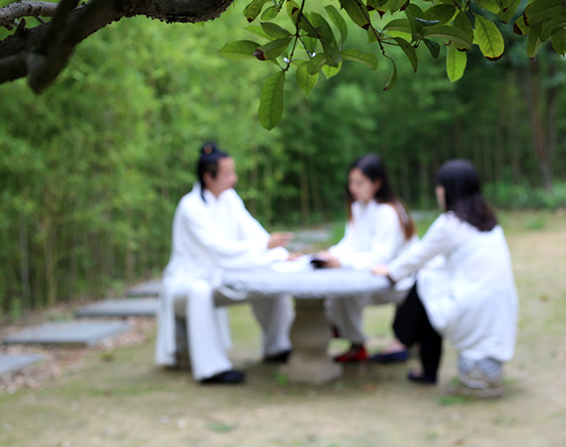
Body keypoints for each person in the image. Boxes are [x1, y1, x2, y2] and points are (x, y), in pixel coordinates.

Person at [372, 159, 518, 397]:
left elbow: (417, 257)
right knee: (430, 284)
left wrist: (389, 272)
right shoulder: (489, 222)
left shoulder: (450, 223)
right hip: (499, 308)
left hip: (472, 308)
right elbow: (449, 260)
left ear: (448, 190)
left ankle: (402, 342)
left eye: (439, 187)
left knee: (425, 282)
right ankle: (416, 357)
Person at [155, 142, 294, 385]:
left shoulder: (230, 199)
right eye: (228, 173)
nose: (234, 178)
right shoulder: (190, 207)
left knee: (272, 279)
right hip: (187, 281)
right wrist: (265, 247)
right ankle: (212, 369)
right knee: (200, 290)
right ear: (209, 177)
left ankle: (277, 346)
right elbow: (217, 250)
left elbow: (253, 232)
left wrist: (279, 254)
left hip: (225, 276)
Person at [311, 154, 416, 363]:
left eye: (359, 183)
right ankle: (350, 339)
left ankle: (355, 343)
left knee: (345, 292)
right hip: (372, 274)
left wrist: (343, 262)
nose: (353, 188)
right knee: (335, 288)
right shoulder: (359, 207)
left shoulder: (388, 211)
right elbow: (351, 243)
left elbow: (381, 256)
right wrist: (330, 255)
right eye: (351, 182)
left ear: (376, 183)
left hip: (401, 281)